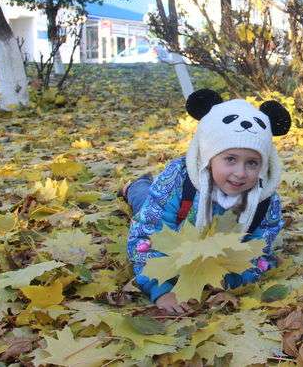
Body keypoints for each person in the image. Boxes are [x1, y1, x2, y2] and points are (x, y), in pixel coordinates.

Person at [124, 89, 291, 314]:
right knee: (143, 200)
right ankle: (133, 186)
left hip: (209, 246)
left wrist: (229, 282)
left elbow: (258, 253)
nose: (240, 173)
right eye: (230, 159)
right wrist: (161, 288)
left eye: (252, 163)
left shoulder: (263, 202)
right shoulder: (178, 183)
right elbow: (146, 237)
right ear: (208, 157)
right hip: (179, 214)